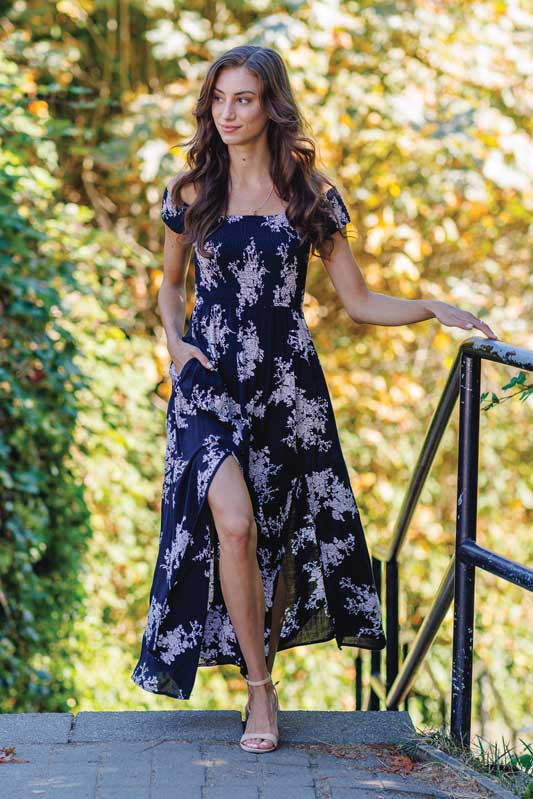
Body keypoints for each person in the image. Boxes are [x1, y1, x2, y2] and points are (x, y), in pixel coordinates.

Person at [131, 44, 497, 754]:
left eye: (243, 98)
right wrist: (175, 345)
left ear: (270, 104)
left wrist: (428, 305)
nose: (229, 112)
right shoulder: (188, 193)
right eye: (219, 99)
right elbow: (169, 287)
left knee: (267, 536)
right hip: (207, 384)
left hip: (284, 389)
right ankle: (259, 692)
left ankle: (261, 682)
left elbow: (356, 300)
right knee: (231, 524)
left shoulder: (308, 196)